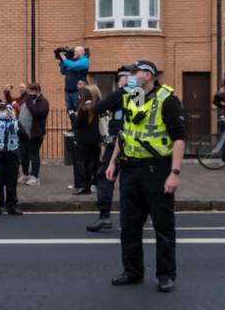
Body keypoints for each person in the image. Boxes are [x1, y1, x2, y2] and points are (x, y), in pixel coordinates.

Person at [105, 60, 185, 292]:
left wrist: (174, 173)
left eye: (134, 72)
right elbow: (128, 132)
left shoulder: (167, 100)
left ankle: (166, 274)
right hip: (130, 169)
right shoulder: (135, 96)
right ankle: (132, 271)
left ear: (148, 75)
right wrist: (113, 163)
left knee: (163, 226)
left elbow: (179, 138)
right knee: (129, 226)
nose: (130, 76)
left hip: (157, 170)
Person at [88, 66, 131, 232]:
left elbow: (99, 108)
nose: (118, 82)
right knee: (129, 181)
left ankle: (104, 217)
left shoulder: (121, 93)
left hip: (117, 143)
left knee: (105, 176)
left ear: (124, 78)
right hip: (133, 144)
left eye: (119, 78)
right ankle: (130, 218)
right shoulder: (138, 94)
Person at [71, 85, 102, 194]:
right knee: (90, 164)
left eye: (79, 95)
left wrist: (73, 116)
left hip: (83, 139)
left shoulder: (83, 109)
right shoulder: (95, 107)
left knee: (81, 163)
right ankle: (88, 186)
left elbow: (78, 124)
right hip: (94, 139)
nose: (78, 97)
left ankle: (83, 186)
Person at [19, 83, 49, 185]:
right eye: (29, 91)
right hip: (23, 133)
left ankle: (35, 177)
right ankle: (25, 174)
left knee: (33, 155)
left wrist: (28, 102)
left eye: (32, 91)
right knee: (23, 155)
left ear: (38, 92)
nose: (30, 93)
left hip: (35, 134)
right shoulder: (27, 100)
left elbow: (36, 112)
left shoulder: (43, 102)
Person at [59, 46, 89, 113]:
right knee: (70, 112)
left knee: (79, 111)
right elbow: (62, 72)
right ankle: (74, 123)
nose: (74, 53)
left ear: (81, 52)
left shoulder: (84, 61)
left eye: (75, 51)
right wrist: (63, 59)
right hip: (67, 91)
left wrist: (63, 57)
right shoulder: (70, 61)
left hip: (77, 91)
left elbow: (73, 66)